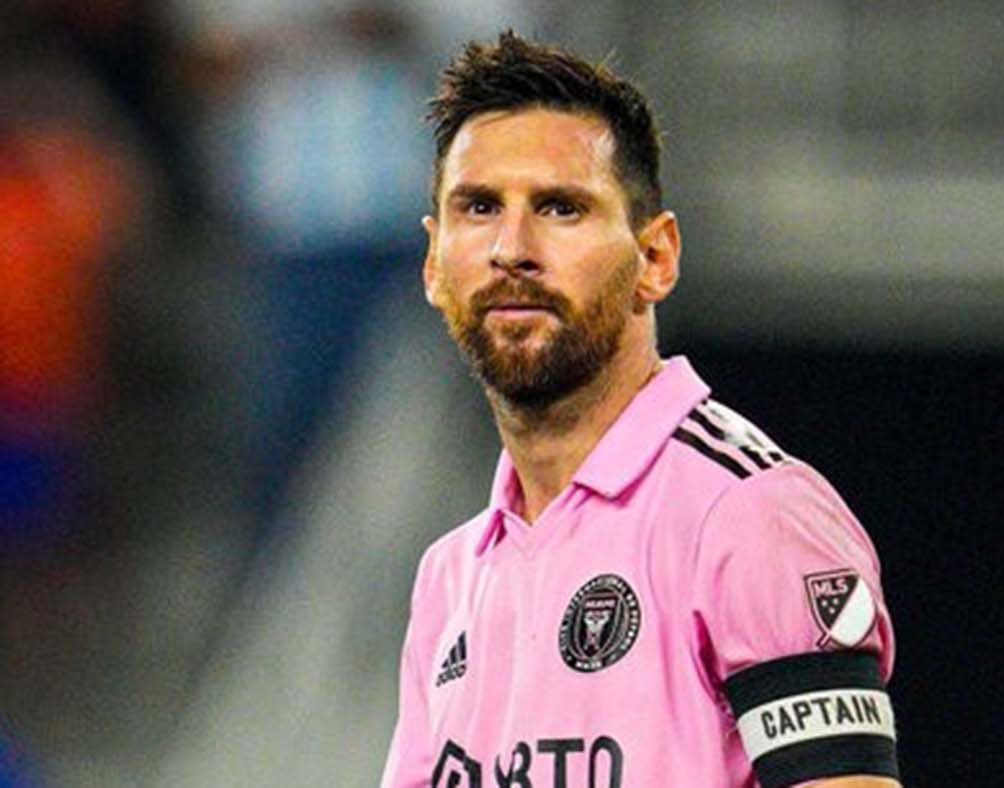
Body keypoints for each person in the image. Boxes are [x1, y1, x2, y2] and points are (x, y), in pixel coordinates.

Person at [381, 32, 901, 788]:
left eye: (561, 208)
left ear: (655, 258)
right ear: (434, 263)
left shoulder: (751, 515)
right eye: (480, 207)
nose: (511, 248)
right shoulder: (449, 578)